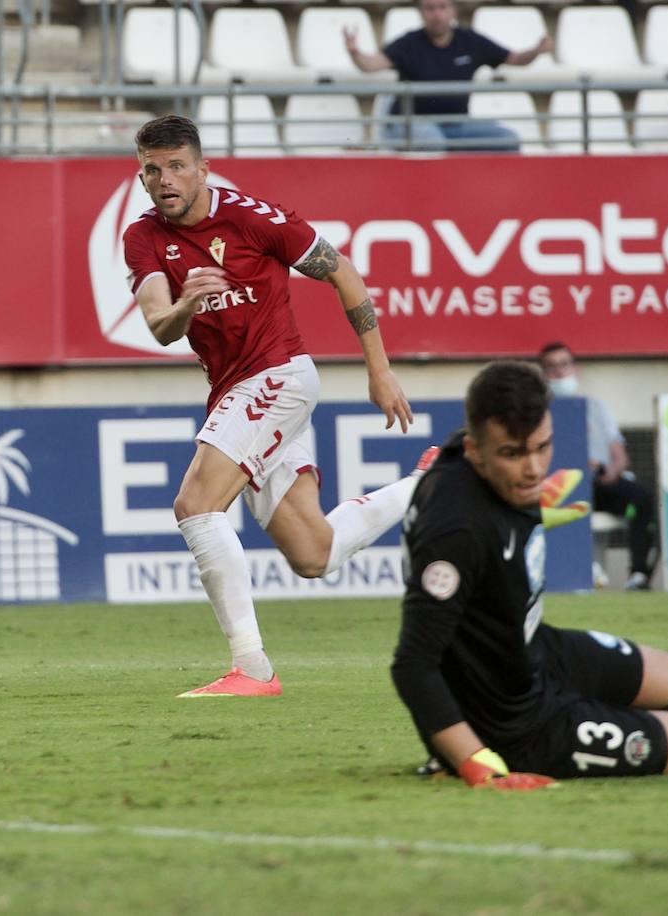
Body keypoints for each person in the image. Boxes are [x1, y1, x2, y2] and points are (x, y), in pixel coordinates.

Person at [123, 113, 430, 697]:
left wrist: (380, 370)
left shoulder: (254, 219)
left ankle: (253, 669)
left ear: (202, 169)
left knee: (195, 505)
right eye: (152, 170)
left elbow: (343, 272)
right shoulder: (142, 238)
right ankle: (426, 484)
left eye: (177, 167)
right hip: (234, 390)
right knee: (315, 554)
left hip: (278, 376)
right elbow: (162, 327)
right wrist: (187, 303)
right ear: (142, 177)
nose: (165, 179)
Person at [393, 361, 668, 790]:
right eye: (513, 454)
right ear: (475, 452)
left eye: (542, 447)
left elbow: (499, 530)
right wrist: (475, 762)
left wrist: (530, 510)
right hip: (512, 720)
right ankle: (461, 750)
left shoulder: (476, 458)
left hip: (535, 652)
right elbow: (414, 666)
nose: (533, 468)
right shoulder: (455, 530)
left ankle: (583, 711)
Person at [342, 0, 553, 151]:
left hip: (457, 123)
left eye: (442, 7)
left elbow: (514, 59)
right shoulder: (409, 43)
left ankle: (492, 200)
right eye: (430, 8)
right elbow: (370, 65)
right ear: (422, 13)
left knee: (508, 140)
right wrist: (355, 53)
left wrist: (535, 51)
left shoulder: (469, 40)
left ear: (453, 11)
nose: (436, 14)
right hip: (409, 122)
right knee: (435, 143)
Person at [539, 342, 655, 591]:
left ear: (575, 369)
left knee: (641, 499)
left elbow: (620, 455)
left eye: (564, 365)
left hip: (600, 485)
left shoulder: (596, 407)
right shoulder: (538, 411)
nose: (559, 372)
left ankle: (638, 574)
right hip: (560, 489)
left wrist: (609, 472)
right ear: (543, 374)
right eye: (552, 367)